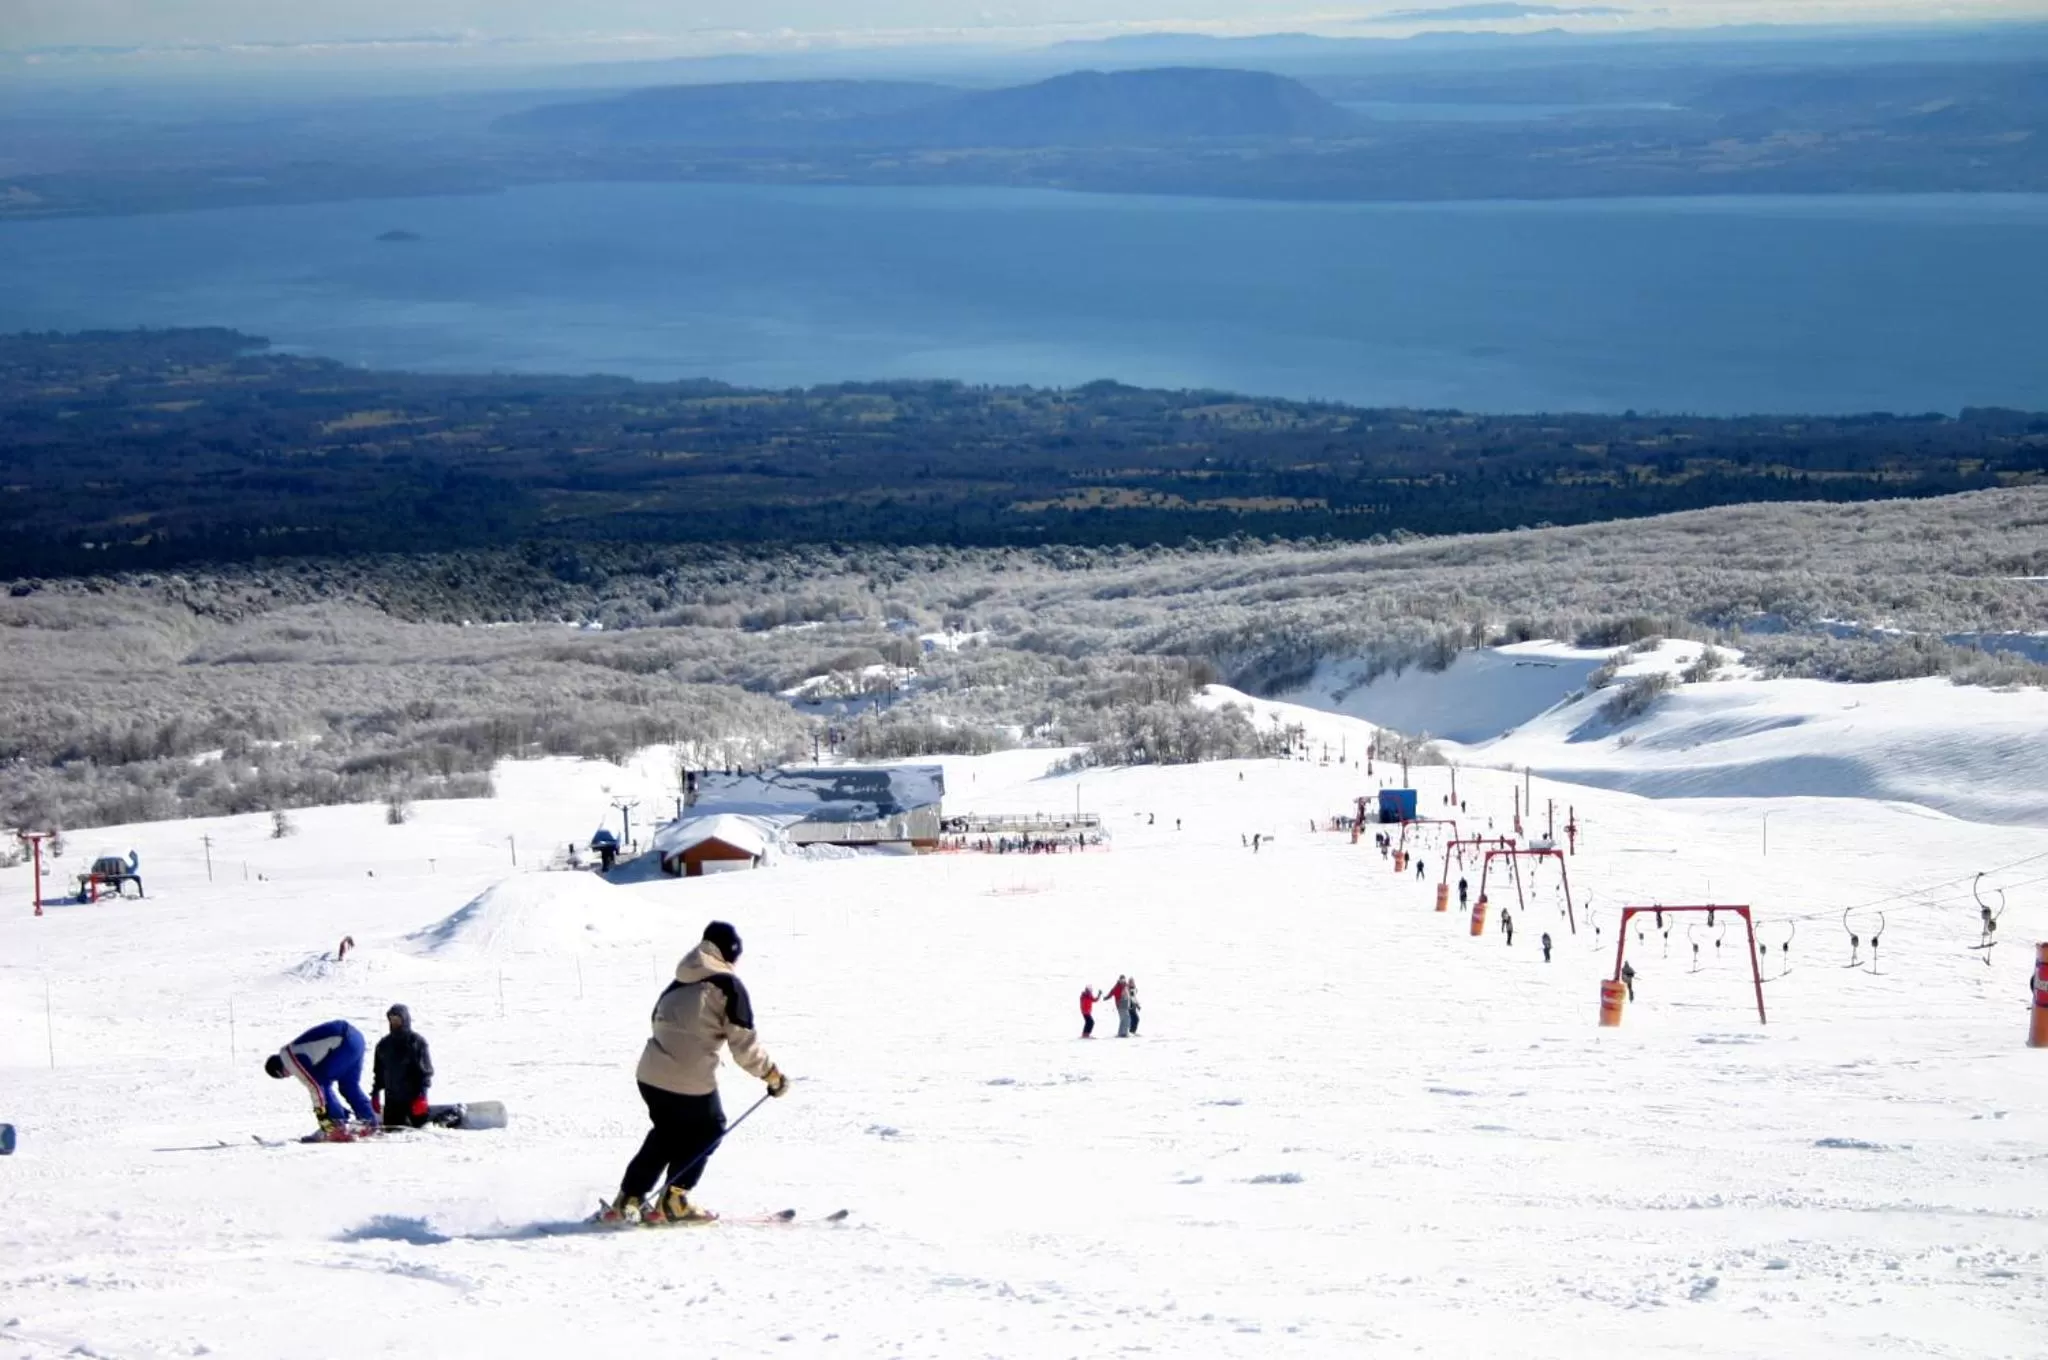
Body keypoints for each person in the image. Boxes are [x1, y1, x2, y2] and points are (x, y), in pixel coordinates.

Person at [604, 921, 786, 1226]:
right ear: (730, 953)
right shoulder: (728, 985)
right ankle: (675, 1200)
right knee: (710, 1128)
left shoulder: (679, 980)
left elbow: (657, 1018)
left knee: (668, 1132)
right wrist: (772, 1076)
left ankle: (628, 1200)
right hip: (688, 1076)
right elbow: (744, 1045)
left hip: (650, 1074)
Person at [264, 1019, 377, 1135]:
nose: (290, 1075)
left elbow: (315, 1087)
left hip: (344, 1042)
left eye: (284, 1075)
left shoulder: (289, 1059)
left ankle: (336, 1125)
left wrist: (323, 1120)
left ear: (280, 1070)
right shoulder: (295, 1048)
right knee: (349, 1086)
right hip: (356, 1038)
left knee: (321, 1081)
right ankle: (368, 1120)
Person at [371, 1003, 435, 1129]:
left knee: (419, 1132)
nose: (394, 1023)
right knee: (391, 1134)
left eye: (397, 1019)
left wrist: (422, 1096)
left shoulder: (417, 1042)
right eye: (392, 1019)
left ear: (405, 1020)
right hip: (392, 1102)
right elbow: (379, 1073)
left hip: (414, 1100)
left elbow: (425, 1073)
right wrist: (375, 1093)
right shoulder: (383, 1045)